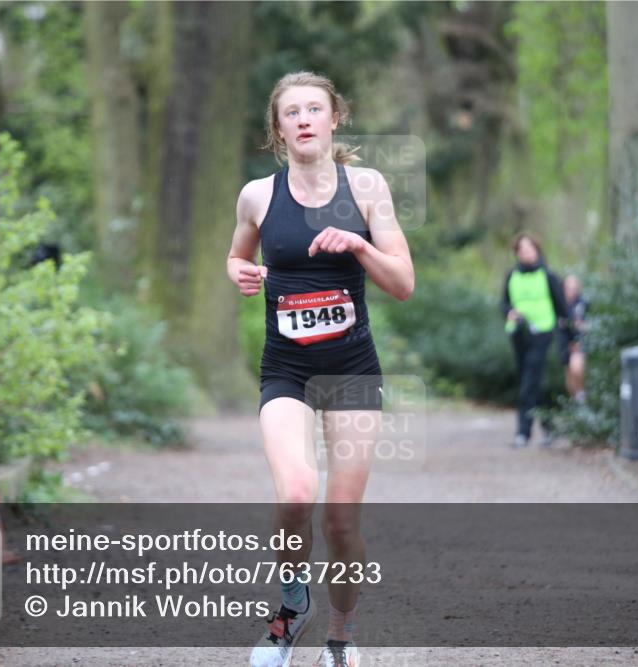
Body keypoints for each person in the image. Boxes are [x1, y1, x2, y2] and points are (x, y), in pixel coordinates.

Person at [227, 71, 414, 667]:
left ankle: (341, 635)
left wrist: (359, 246)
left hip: (353, 370)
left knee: (339, 519)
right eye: (291, 112)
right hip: (286, 370)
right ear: (277, 130)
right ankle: (290, 610)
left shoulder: (366, 187)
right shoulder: (258, 195)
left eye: (315, 109)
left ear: (336, 118)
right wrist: (238, 270)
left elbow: (404, 284)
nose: (304, 119)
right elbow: (237, 255)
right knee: (297, 495)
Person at [501, 233, 571, 448]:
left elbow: (562, 308)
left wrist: (571, 337)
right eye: (521, 249)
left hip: (542, 334)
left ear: (537, 251)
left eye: (530, 249)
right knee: (530, 382)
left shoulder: (548, 276)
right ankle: (548, 428)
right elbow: (503, 303)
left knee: (530, 382)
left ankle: (523, 433)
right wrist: (510, 312)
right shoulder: (511, 275)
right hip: (518, 334)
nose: (526, 253)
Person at [559, 274, 588, 403]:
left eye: (574, 287)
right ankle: (574, 401)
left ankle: (581, 397)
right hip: (564, 343)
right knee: (569, 375)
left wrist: (581, 328)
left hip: (578, 342)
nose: (571, 290)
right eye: (568, 287)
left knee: (577, 369)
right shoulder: (559, 304)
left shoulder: (582, 303)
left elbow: (586, 323)